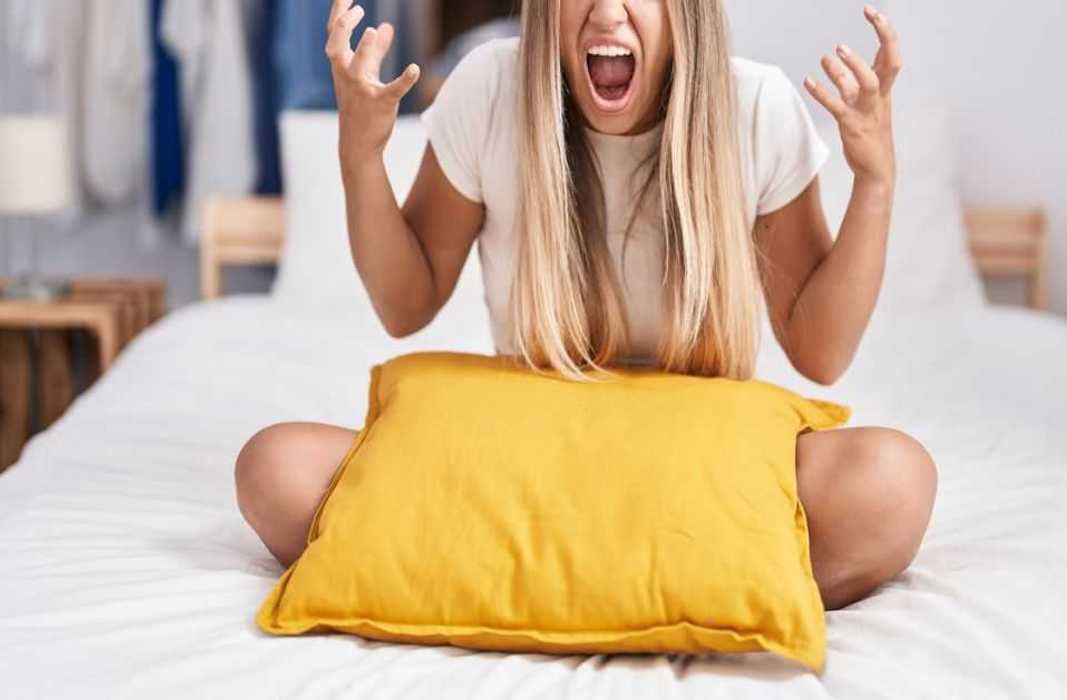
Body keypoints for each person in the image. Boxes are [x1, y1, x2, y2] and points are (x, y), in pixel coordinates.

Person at [236, 0, 936, 611]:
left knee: (892, 482)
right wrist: (361, 155)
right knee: (277, 467)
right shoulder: (491, 88)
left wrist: (875, 180)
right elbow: (405, 303)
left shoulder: (754, 105)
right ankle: (664, 580)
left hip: (687, 467)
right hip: (527, 461)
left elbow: (822, 350)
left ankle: (528, 581)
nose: (605, 12)